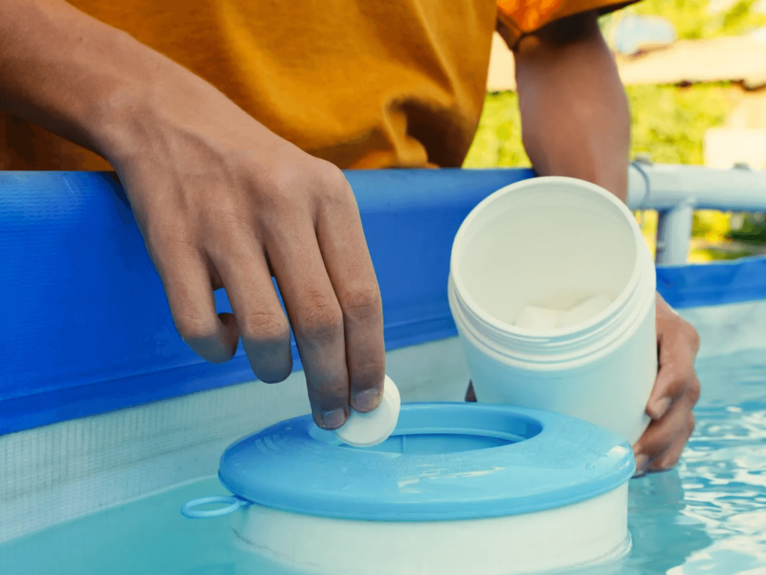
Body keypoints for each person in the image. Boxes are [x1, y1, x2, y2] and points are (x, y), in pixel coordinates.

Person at [0, 0, 700, 474]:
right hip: (64, 276)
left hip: (405, 302)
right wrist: (143, 107)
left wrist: (610, 286)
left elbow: (557, 32)